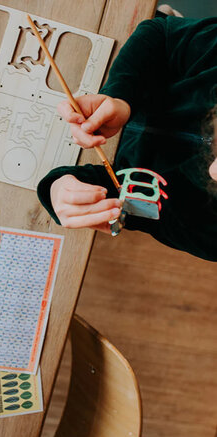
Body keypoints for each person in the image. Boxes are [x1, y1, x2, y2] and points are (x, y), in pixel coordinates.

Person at [37, 16, 217, 261]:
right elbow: (158, 34)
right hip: (133, 67)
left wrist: (58, 191)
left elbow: (119, 200)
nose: (214, 172)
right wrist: (121, 98)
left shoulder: (210, 234)